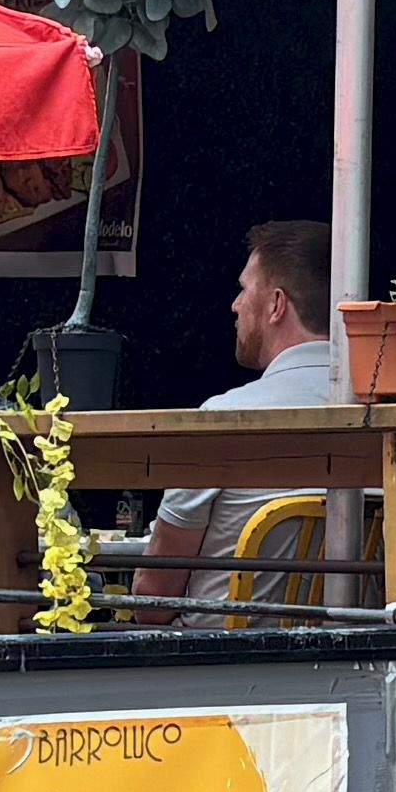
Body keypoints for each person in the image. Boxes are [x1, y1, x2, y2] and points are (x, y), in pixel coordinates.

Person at [138, 222, 350, 601]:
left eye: (243, 289)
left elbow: (152, 599)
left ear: (276, 305)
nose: (235, 305)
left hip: (224, 655)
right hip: (363, 652)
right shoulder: (385, 418)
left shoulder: (221, 420)